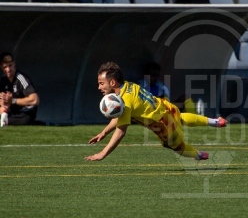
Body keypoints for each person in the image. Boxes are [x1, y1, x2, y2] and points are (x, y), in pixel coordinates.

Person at [85, 62, 227, 161]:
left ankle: (199, 155)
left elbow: (121, 131)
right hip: (167, 108)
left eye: (101, 83)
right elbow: (120, 116)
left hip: (164, 126)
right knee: (181, 117)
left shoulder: (124, 101)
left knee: (177, 147)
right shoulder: (129, 86)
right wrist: (104, 132)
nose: (99, 87)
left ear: (113, 83)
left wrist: (102, 153)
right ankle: (215, 121)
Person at [0, 52, 40, 127]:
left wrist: (12, 100)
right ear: (1, 67)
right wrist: (3, 111)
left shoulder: (21, 78)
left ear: (14, 64)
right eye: (5, 67)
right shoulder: (4, 79)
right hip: (14, 113)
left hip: (25, 114)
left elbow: (35, 100)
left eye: (10, 65)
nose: (8, 69)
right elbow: (3, 101)